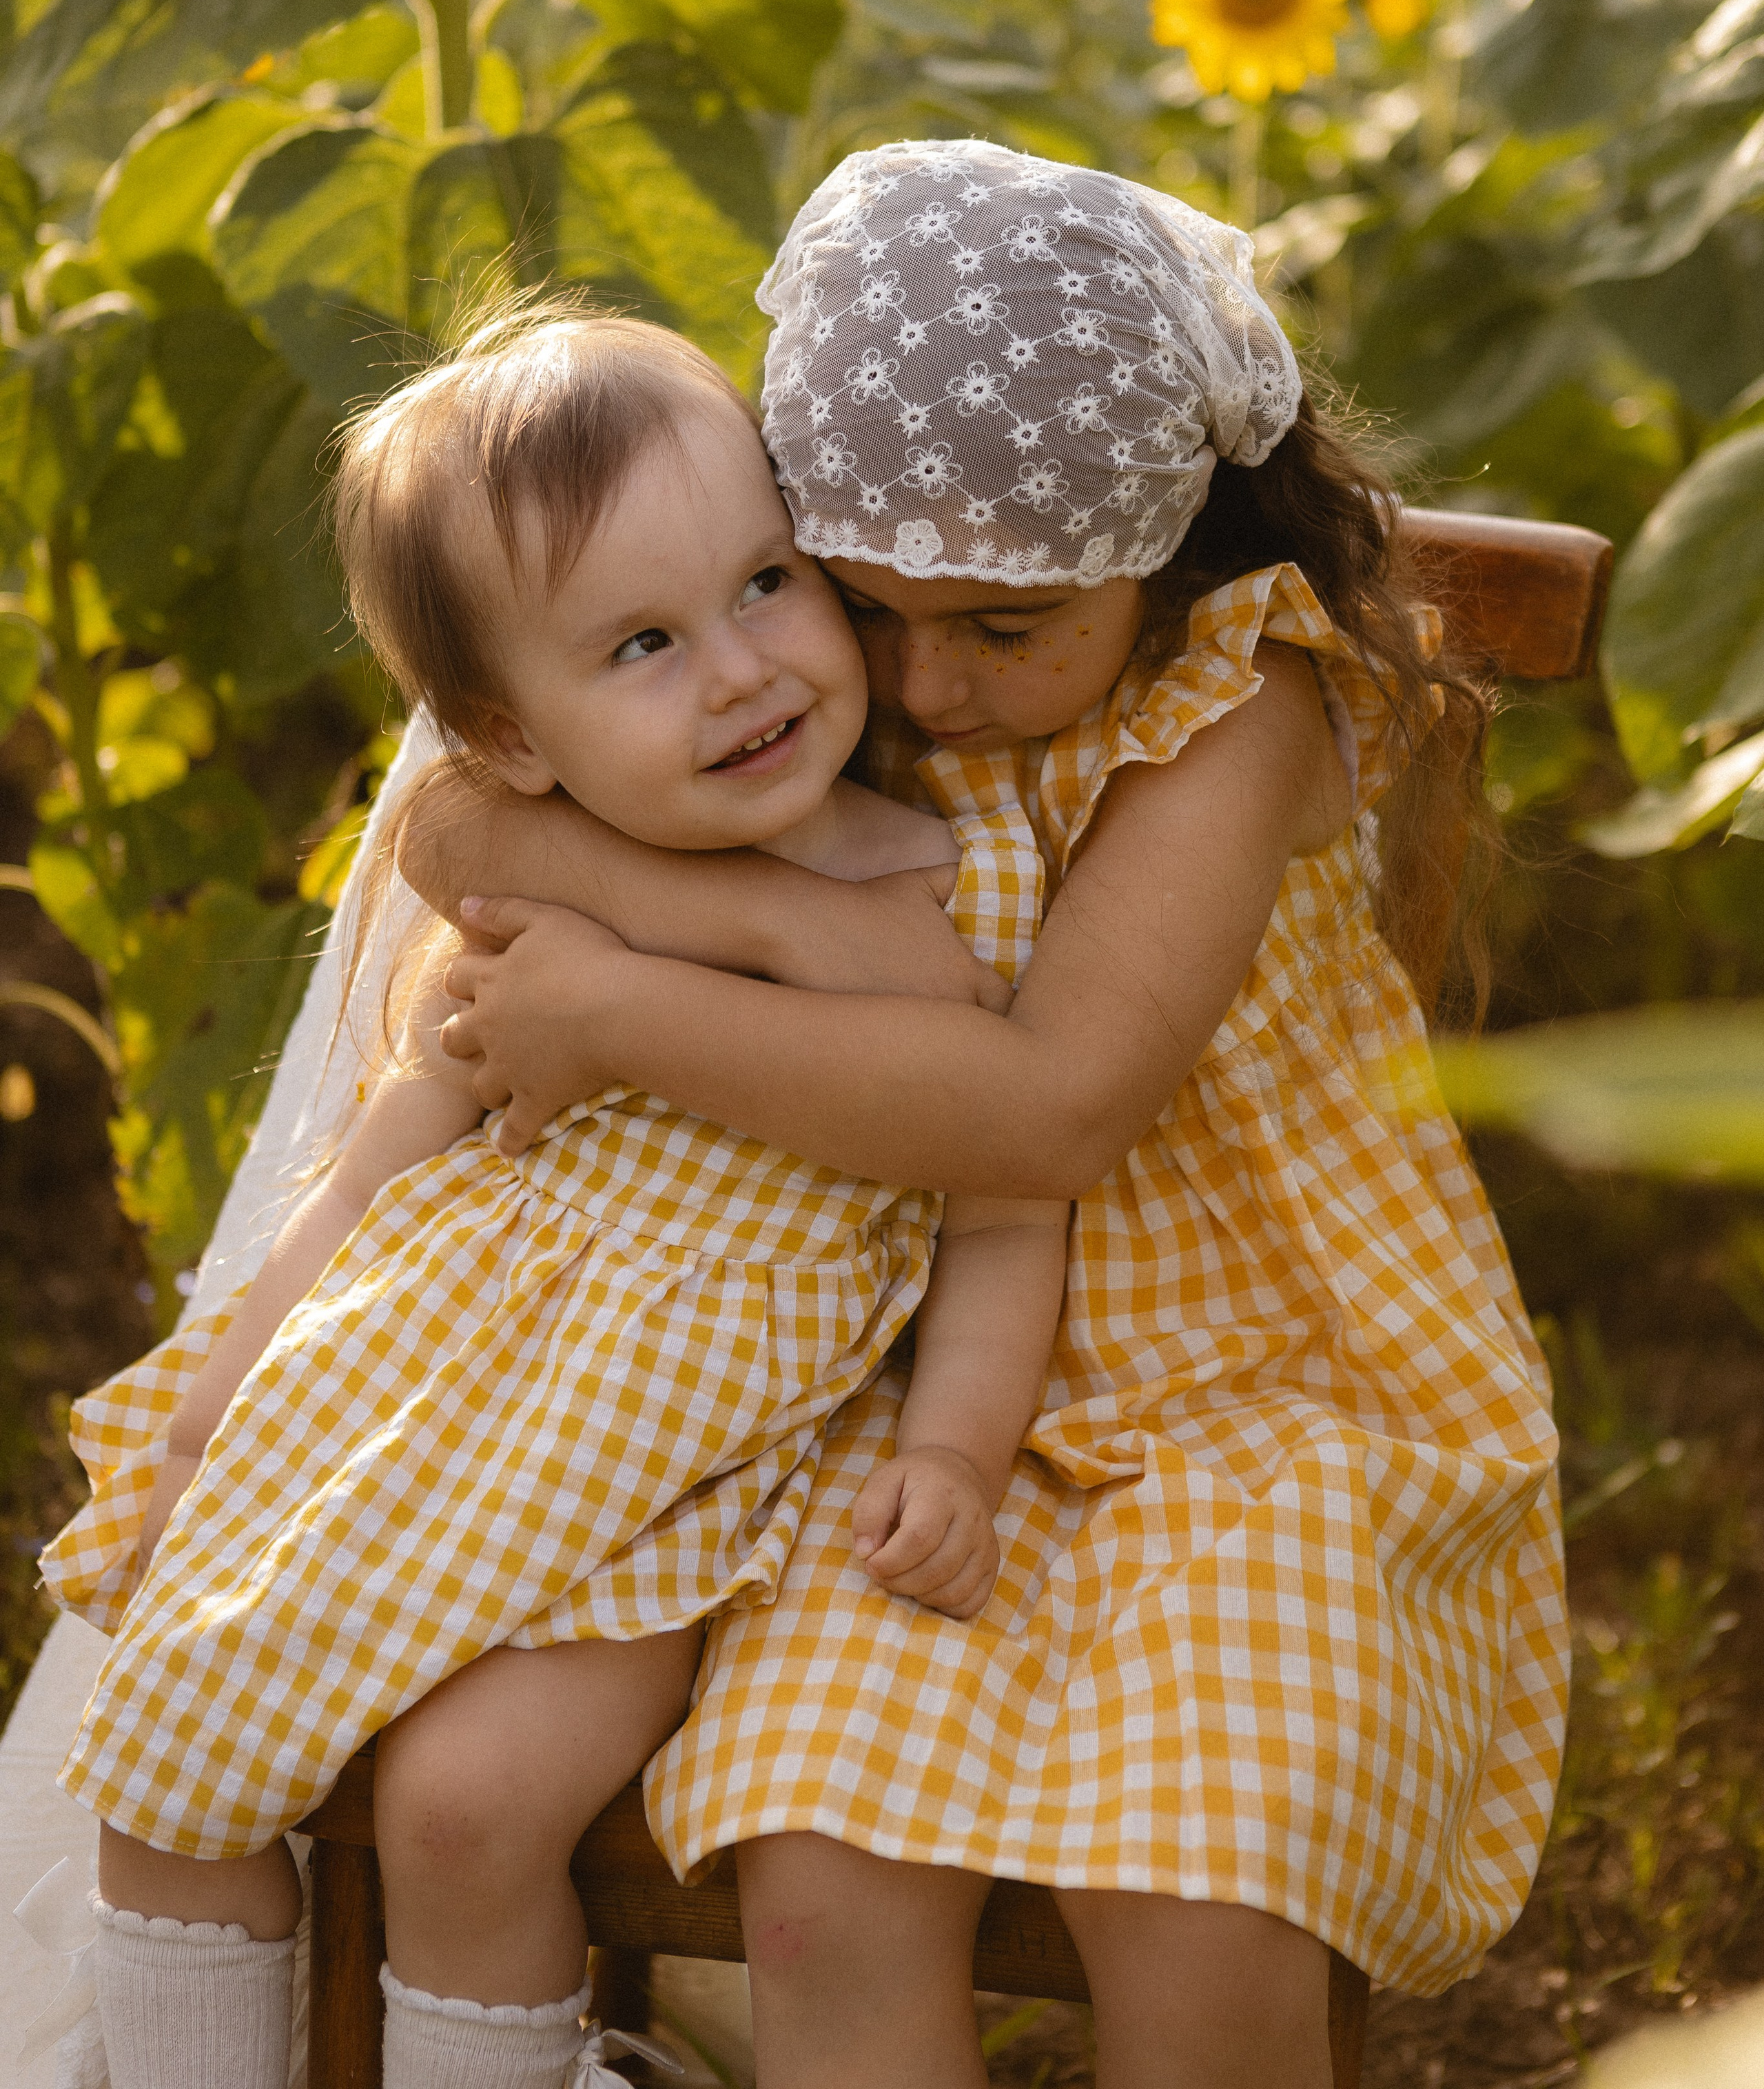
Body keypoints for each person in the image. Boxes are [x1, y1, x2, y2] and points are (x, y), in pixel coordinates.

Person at [430, 141, 1570, 2089]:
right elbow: (449, 812)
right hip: (916, 1399)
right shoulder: (810, 652)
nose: (922, 686)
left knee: (1204, 1892)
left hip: (1267, 1395)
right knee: (822, 1869)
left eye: (999, 630)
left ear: (1162, 548)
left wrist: (623, 996)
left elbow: (1043, 1118)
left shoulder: (1234, 715)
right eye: (862, 602)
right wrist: (748, 908)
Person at [38, 302, 1071, 2089]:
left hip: (669, 1473)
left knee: (468, 1813)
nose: (743, 671)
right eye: (645, 644)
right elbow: (396, 1143)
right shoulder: (559, 894)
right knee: (165, 1748)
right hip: (401, 1406)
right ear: (510, 739)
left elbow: (1004, 1204)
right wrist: (221, 1403)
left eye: (765, 583)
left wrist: (958, 1453)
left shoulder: (956, 881)